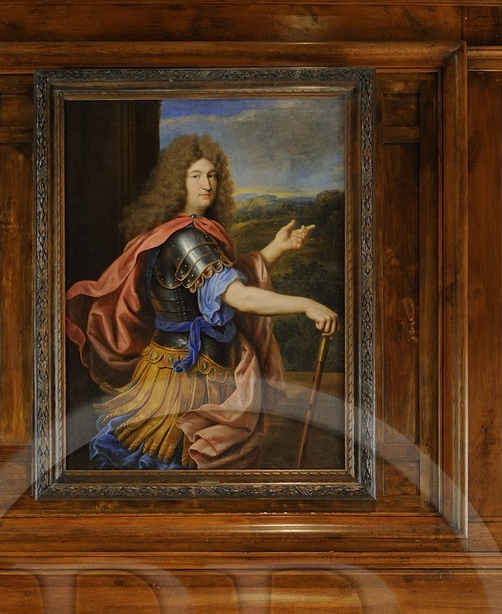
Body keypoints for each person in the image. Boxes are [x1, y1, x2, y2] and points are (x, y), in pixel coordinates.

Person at [65, 133, 339, 470]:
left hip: (202, 369)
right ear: (177, 181)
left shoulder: (190, 232)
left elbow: (231, 278)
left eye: (211, 175)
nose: (206, 183)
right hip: (183, 376)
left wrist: (277, 248)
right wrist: (307, 304)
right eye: (195, 175)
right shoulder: (185, 238)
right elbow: (237, 295)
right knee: (173, 460)